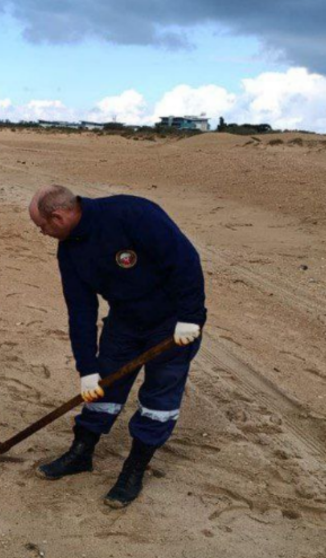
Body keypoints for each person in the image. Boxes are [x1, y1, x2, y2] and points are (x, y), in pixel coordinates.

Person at [28, 185, 206, 508]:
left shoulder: (132, 215)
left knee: (159, 400)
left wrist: (191, 317)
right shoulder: (69, 250)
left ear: (58, 216)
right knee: (102, 388)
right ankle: (81, 452)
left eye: (42, 226)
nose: (42, 233)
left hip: (172, 324)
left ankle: (134, 469)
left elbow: (184, 260)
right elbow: (80, 311)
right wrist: (87, 368)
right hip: (125, 322)